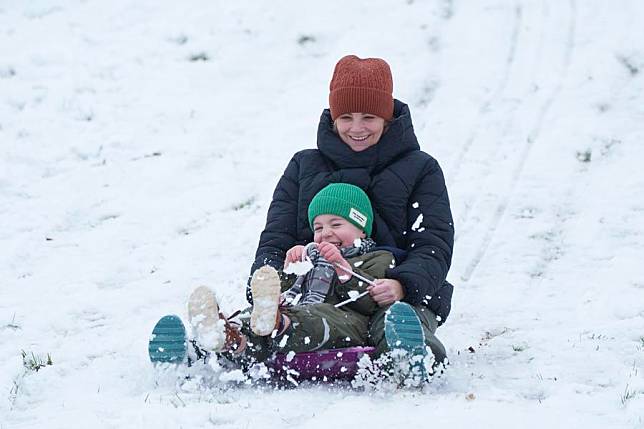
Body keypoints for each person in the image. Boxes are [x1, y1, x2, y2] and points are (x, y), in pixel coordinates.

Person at [249, 54, 454, 365]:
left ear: (387, 118)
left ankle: (412, 357)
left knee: (394, 322)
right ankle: (218, 343)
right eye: (346, 117)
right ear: (333, 119)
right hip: (314, 290)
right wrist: (270, 282)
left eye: (369, 117)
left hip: (385, 292)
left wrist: (403, 284)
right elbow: (276, 237)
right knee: (269, 320)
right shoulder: (304, 166)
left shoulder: (420, 169)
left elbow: (433, 242)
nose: (357, 128)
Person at [187, 183, 396, 367]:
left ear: (362, 229)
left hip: (345, 320)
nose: (326, 233)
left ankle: (277, 323)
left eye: (336, 224)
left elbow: (370, 303)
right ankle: (228, 336)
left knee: (316, 317)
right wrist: (291, 270)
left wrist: (343, 269)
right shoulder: (311, 256)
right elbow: (289, 293)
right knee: (255, 317)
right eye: (318, 227)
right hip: (295, 310)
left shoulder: (378, 257)